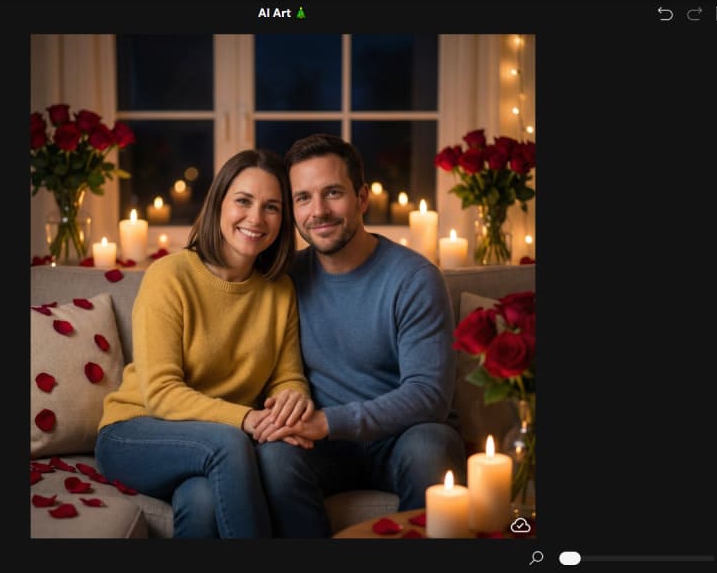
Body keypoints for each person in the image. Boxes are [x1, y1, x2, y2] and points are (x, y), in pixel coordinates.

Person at [253, 133, 466, 538]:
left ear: (362, 198)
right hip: (323, 447)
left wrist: (328, 422)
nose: (318, 211)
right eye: (303, 198)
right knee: (274, 457)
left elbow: (429, 396)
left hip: (403, 437)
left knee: (429, 447)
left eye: (332, 193)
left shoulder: (414, 278)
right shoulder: (285, 279)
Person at [94, 149, 314, 538]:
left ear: (284, 220)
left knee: (202, 501)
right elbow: (161, 393)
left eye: (272, 207)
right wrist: (246, 419)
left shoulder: (279, 290)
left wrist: (290, 401)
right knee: (227, 444)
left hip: (211, 446)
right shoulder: (170, 276)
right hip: (136, 431)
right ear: (218, 204)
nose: (256, 218)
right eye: (243, 201)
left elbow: (287, 375)